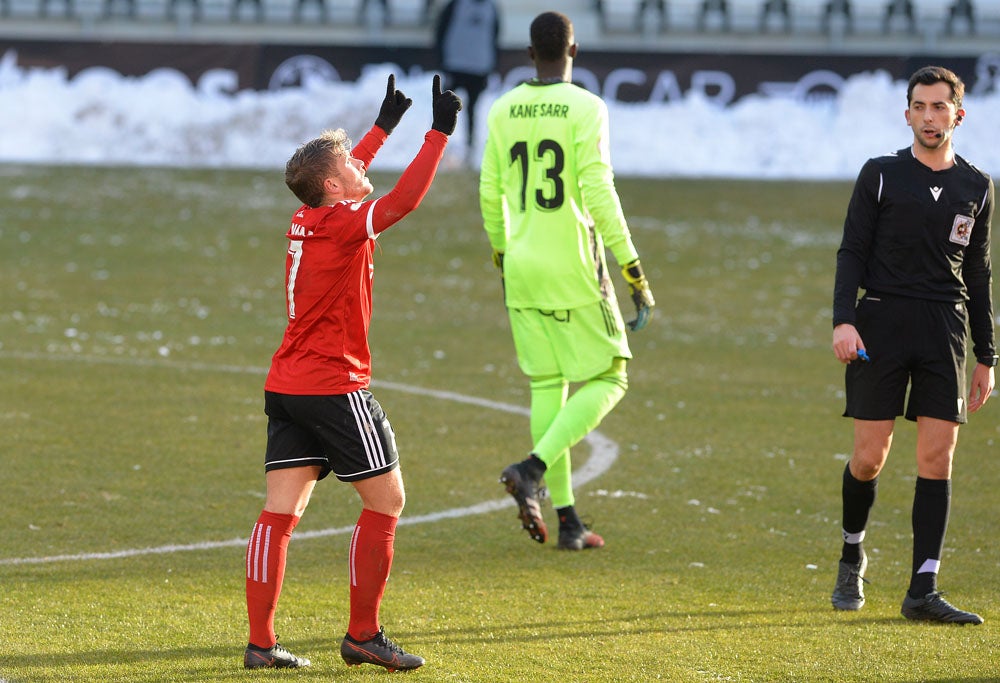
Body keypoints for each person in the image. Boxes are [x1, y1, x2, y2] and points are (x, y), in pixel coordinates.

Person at [242, 74, 462, 671]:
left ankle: (261, 644)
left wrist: (383, 127)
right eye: (351, 168)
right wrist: (439, 132)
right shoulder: (343, 223)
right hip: (334, 385)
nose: (363, 170)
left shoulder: (309, 213)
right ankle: (363, 634)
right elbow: (402, 202)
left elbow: (346, 172)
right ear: (336, 187)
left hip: (286, 384)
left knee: (279, 514)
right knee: (387, 502)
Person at [479, 11, 656, 551]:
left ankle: (569, 522)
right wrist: (632, 271)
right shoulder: (587, 107)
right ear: (572, 51)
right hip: (576, 268)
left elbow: (489, 191)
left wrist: (504, 255)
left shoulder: (504, 108)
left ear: (530, 54)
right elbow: (598, 193)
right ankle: (531, 469)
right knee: (612, 375)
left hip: (523, 266)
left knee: (546, 386)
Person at [831, 65, 994, 625]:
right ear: (908, 114)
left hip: (943, 330)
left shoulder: (977, 186)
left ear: (958, 113)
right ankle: (853, 551)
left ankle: (922, 588)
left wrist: (987, 356)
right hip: (879, 325)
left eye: (939, 107)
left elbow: (978, 274)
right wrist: (843, 320)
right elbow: (851, 251)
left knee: (936, 457)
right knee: (871, 458)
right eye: (920, 107)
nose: (930, 116)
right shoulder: (879, 175)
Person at [434, 0, 500, 157]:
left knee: (472, 108)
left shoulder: (491, 8)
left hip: (478, 67)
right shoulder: (455, 5)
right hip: (456, 65)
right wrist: (442, 59)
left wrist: (490, 64)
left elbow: (494, 37)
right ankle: (436, 138)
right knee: (445, 105)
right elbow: (441, 31)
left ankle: (469, 144)